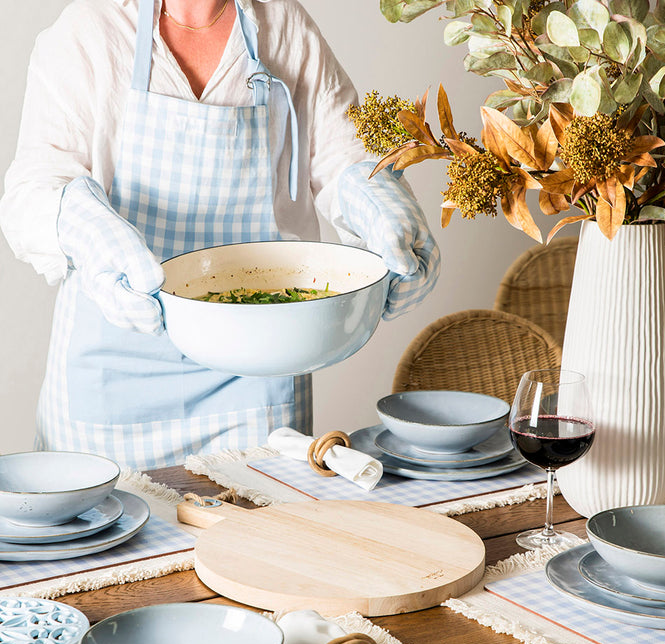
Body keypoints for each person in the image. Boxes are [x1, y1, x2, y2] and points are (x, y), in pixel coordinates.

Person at [0, 0, 440, 471]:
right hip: (113, 373)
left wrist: (382, 208)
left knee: (261, 534)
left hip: (258, 373)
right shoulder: (91, 29)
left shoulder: (282, 24)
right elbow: (33, 187)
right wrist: (86, 226)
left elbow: (345, 152)